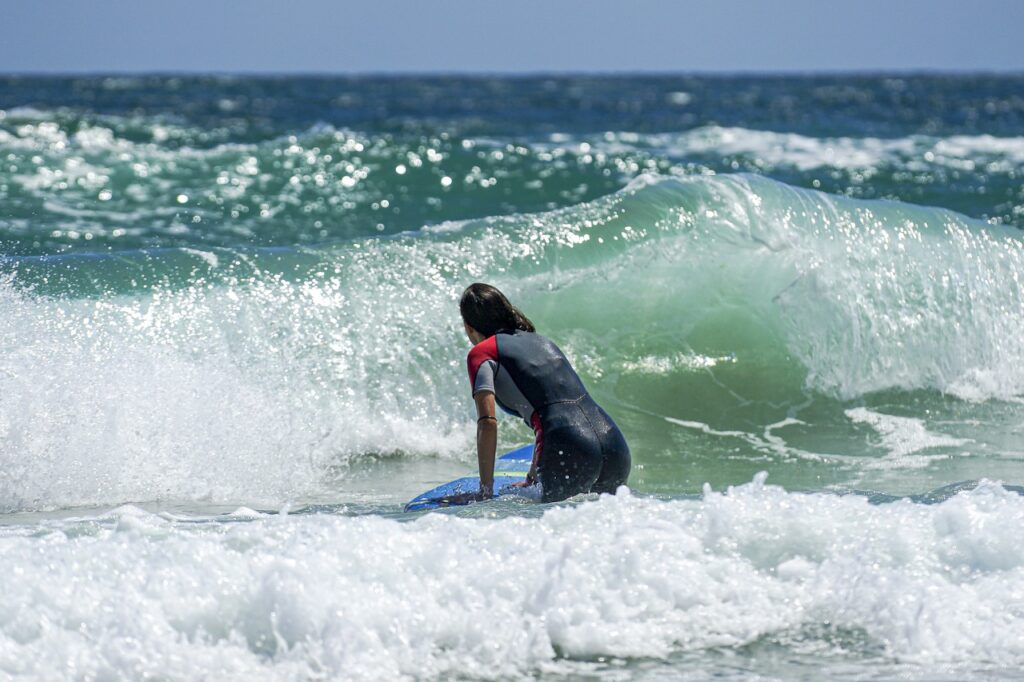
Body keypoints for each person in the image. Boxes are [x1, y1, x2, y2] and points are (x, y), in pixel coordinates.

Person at [460, 282, 630, 503]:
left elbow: (488, 422)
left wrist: (485, 490)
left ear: (468, 326)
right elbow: (554, 407)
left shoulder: (481, 354)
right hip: (614, 444)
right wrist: (533, 476)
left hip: (569, 447)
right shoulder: (541, 342)